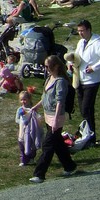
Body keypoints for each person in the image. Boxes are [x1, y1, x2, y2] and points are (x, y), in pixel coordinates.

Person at [29, 55, 79, 183]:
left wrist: (57, 119)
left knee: (48, 145)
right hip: (48, 115)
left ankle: (39, 174)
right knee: (57, 143)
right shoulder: (49, 78)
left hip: (56, 116)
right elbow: (45, 97)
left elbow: (59, 102)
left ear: (55, 66)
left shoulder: (60, 81)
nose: (45, 69)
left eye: (47, 66)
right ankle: (70, 166)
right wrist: (36, 106)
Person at [74, 19, 100, 146]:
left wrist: (94, 67)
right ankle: (90, 136)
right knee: (85, 110)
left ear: (89, 30)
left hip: (92, 81)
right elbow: (76, 57)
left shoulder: (97, 42)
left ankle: (90, 136)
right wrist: (70, 63)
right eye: (78, 31)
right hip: (80, 80)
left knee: (86, 109)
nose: (80, 33)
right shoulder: (81, 42)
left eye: (82, 31)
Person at [16, 92, 42, 167]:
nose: (23, 101)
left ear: (29, 99)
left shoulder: (32, 109)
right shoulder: (20, 109)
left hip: (31, 130)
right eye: (21, 100)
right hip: (22, 130)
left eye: (24, 99)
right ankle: (23, 159)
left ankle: (31, 158)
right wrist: (22, 121)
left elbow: (36, 118)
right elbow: (16, 119)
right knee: (21, 144)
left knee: (32, 144)